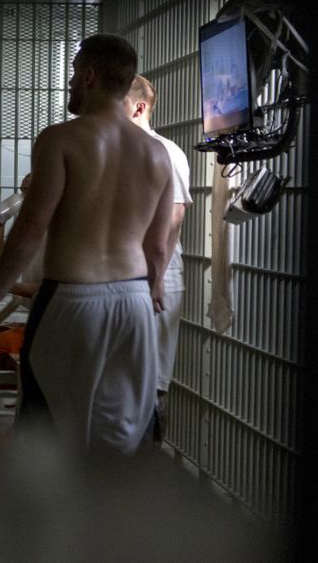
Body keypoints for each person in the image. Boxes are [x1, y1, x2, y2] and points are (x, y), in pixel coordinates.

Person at [0, 34, 174, 457]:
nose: (72, 83)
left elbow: (31, 228)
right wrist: (155, 286)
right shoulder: (157, 153)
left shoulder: (60, 140)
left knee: (47, 431)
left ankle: (54, 519)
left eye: (75, 74)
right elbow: (159, 246)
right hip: (134, 302)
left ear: (89, 76)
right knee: (120, 438)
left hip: (72, 300)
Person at [125, 74, 193, 441]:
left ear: (138, 107)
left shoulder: (165, 150)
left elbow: (175, 215)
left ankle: (143, 463)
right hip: (132, 274)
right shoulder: (122, 149)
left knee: (149, 383)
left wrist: (154, 277)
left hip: (156, 275)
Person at [0, 173, 45, 370]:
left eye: (31, 190)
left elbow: (49, 289)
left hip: (46, 325)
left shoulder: (58, 229)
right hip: (29, 318)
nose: (24, 196)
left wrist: (7, 286)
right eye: (22, 190)